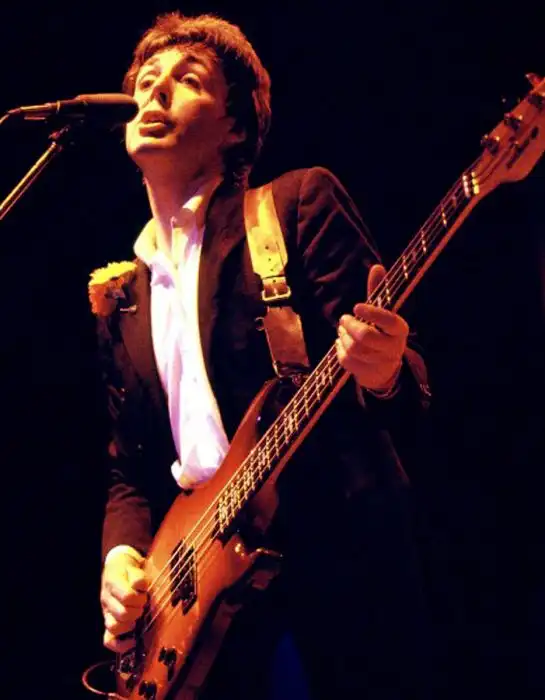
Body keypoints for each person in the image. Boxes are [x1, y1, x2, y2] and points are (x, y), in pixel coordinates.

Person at [89, 11, 434, 700]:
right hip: (199, 595)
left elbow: (406, 389)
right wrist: (122, 558)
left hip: (333, 558)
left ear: (235, 127)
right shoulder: (124, 297)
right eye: (146, 81)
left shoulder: (293, 205)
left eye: (187, 80)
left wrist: (384, 372)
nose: (155, 93)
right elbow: (128, 469)